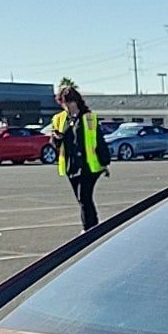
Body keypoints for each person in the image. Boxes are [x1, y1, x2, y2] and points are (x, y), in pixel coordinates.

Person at [49, 84, 108, 230]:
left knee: (84, 198)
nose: (68, 106)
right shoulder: (59, 119)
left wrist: (105, 162)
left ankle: (90, 228)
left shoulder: (88, 118)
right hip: (71, 165)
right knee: (82, 200)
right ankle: (92, 227)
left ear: (76, 101)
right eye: (64, 103)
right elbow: (54, 143)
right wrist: (56, 138)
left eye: (70, 102)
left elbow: (99, 141)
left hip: (88, 166)